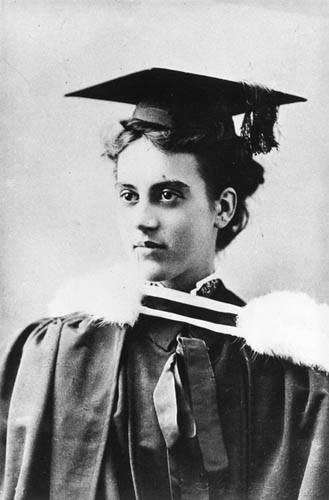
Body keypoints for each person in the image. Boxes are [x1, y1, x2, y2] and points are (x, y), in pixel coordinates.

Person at [1, 68, 329, 500]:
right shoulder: (65, 351)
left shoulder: (291, 380)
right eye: (129, 195)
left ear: (223, 208)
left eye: (168, 195)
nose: (143, 220)